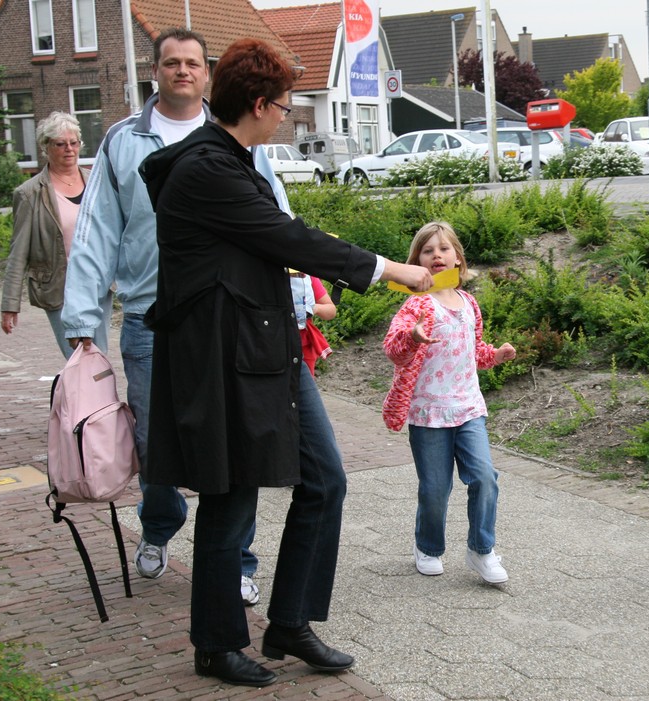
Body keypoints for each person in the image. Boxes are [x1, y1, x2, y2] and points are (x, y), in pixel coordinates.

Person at [138, 37, 433, 687]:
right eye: (283, 105)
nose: (286, 116)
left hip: (267, 351)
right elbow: (286, 237)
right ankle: (216, 644)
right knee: (230, 497)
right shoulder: (206, 170)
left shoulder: (236, 161)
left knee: (324, 479)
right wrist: (391, 269)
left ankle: (290, 622)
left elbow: (277, 244)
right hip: (222, 358)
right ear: (258, 104)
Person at [60, 28, 264, 605]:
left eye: (192, 63)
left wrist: (300, 298)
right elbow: (97, 230)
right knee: (155, 438)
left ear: (207, 73)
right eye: (171, 62)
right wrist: (83, 318)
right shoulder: (124, 140)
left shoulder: (234, 132)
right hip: (150, 317)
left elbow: (273, 215)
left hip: (223, 315)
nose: (182, 71)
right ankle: (159, 523)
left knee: (233, 443)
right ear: (155, 71)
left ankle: (238, 560)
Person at [382, 222, 516, 584]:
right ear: (416, 262)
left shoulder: (469, 303)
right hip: (428, 412)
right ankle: (427, 547)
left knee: (485, 477)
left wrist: (496, 355)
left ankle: (481, 550)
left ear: (458, 257)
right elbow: (394, 350)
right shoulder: (417, 304)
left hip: (469, 409)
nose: (437, 255)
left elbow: (475, 351)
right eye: (427, 251)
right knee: (435, 489)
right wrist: (412, 336)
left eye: (444, 249)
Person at [0, 112, 112, 358]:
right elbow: (18, 251)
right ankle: (81, 386)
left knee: (99, 354)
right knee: (77, 356)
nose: (69, 149)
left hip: (97, 282)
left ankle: (93, 387)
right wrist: (9, 305)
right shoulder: (30, 193)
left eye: (74, 143)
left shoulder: (97, 181)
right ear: (46, 147)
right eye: (60, 144)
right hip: (58, 285)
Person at [290, 271, 335, 375]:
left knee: (304, 382)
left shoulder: (307, 276)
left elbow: (331, 310)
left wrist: (313, 308)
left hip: (303, 345)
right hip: (274, 343)